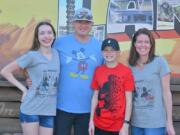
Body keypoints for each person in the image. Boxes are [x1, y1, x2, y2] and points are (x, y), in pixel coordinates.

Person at [0, 21, 60, 135]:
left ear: (54, 35)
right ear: (37, 37)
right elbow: (5, 71)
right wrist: (24, 89)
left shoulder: (57, 54)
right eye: (42, 33)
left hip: (48, 111)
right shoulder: (32, 56)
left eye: (49, 32)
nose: (46, 36)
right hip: (31, 110)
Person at [53, 8, 103, 135]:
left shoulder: (99, 46)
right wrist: (30, 78)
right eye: (79, 21)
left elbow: (106, 74)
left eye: (87, 22)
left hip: (88, 109)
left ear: (92, 24)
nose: (83, 25)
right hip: (62, 106)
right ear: (73, 23)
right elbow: (45, 62)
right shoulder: (60, 43)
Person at [128, 28, 175, 135]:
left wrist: (169, 122)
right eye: (139, 41)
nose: (142, 45)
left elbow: (167, 93)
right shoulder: (130, 66)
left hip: (156, 123)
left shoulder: (160, 62)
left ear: (151, 45)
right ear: (134, 44)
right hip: (136, 122)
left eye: (146, 42)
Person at [89, 38, 135, 135]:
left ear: (118, 53)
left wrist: (126, 124)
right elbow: (95, 97)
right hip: (99, 124)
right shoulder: (98, 70)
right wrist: (91, 121)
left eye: (112, 50)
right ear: (102, 53)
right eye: (106, 50)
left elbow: (129, 100)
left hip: (118, 126)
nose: (109, 53)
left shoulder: (126, 71)